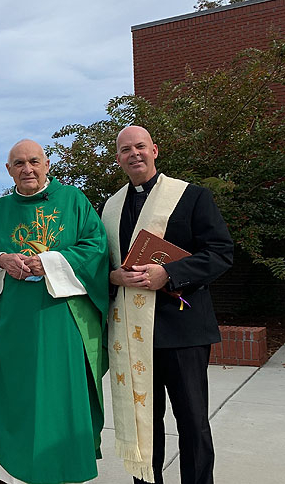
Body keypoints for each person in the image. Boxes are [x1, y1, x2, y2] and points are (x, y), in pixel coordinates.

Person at [0, 139, 109, 484]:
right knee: (19, 398)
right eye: (18, 163)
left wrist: (49, 263)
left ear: (47, 164)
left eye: (34, 161)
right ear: (8, 170)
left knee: (60, 397)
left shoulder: (73, 201)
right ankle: (17, 474)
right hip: (16, 323)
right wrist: (1, 260)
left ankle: (63, 471)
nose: (27, 169)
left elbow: (96, 247)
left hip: (61, 318)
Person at [102, 126, 233, 484]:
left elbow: (221, 253)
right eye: (125, 150)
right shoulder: (110, 207)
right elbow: (102, 264)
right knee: (144, 421)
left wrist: (169, 274)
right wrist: (113, 277)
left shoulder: (192, 197)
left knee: (192, 421)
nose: (134, 154)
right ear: (119, 158)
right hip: (130, 333)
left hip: (183, 330)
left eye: (140, 146)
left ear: (154, 150)